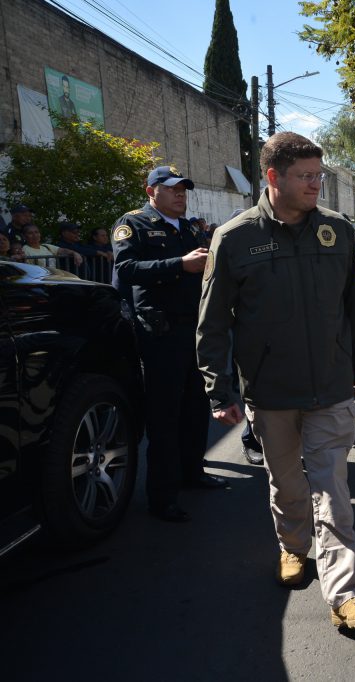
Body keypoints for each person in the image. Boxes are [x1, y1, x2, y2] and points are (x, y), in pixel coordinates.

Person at [196, 132, 355, 630]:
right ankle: (292, 546)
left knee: (332, 491)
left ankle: (345, 594)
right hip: (270, 391)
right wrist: (220, 391)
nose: (316, 185)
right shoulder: (234, 238)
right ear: (273, 177)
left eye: (319, 175)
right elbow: (213, 324)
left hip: (331, 386)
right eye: (306, 176)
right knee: (287, 485)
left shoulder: (337, 232)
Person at [112, 165, 224, 523]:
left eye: (184, 189)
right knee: (164, 416)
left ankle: (193, 472)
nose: (181, 194)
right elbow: (126, 269)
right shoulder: (134, 224)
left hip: (194, 329)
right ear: (151, 191)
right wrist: (179, 264)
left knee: (195, 405)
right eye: (173, 189)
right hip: (159, 333)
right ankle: (162, 496)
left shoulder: (190, 227)